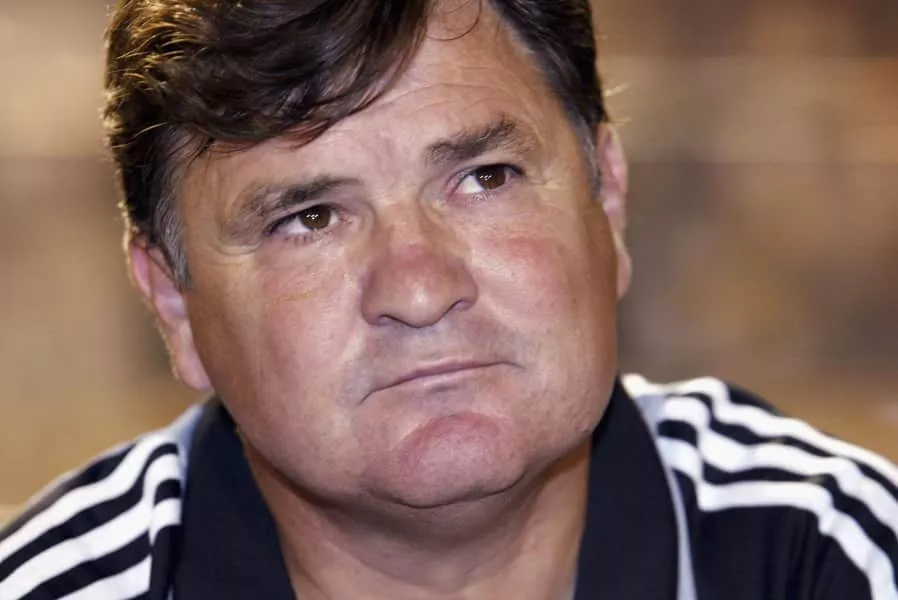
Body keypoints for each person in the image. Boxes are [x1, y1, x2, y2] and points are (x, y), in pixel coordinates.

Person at [1, 0, 896, 598]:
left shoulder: (834, 560)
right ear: (172, 302)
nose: (422, 290)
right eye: (310, 219)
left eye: (485, 177)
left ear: (609, 197)